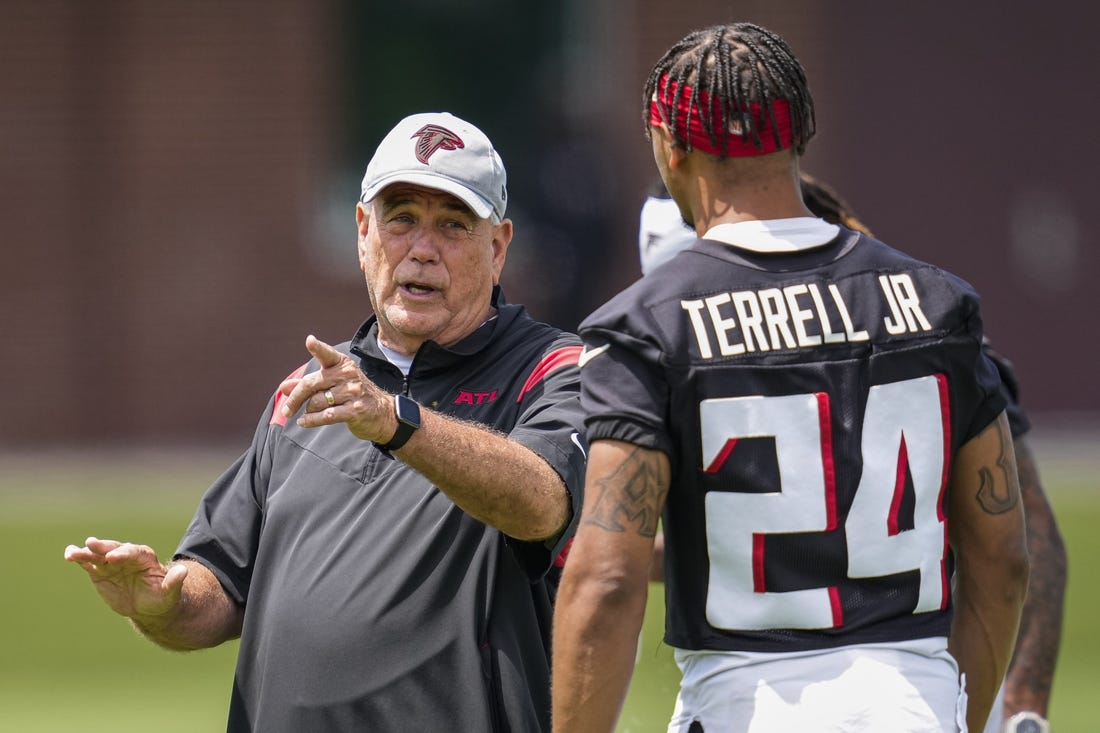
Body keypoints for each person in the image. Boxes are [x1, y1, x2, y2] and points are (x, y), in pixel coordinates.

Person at [551, 22, 1029, 733]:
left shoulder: (649, 324)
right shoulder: (938, 304)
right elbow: (1003, 559)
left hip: (743, 705)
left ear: (670, 146)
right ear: (801, 134)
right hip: (915, 705)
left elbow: (610, 578)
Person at [65, 111, 588, 732]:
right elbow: (222, 586)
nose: (422, 249)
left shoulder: (553, 368)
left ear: (497, 247)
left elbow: (542, 503)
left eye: (452, 225)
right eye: (401, 219)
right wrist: (161, 603)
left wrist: (396, 422)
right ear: (363, 232)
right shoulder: (308, 389)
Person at [638, 173, 1067, 733]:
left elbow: (1022, 543)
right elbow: (1018, 544)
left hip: (764, 699)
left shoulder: (934, 341)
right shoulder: (930, 327)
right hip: (918, 701)